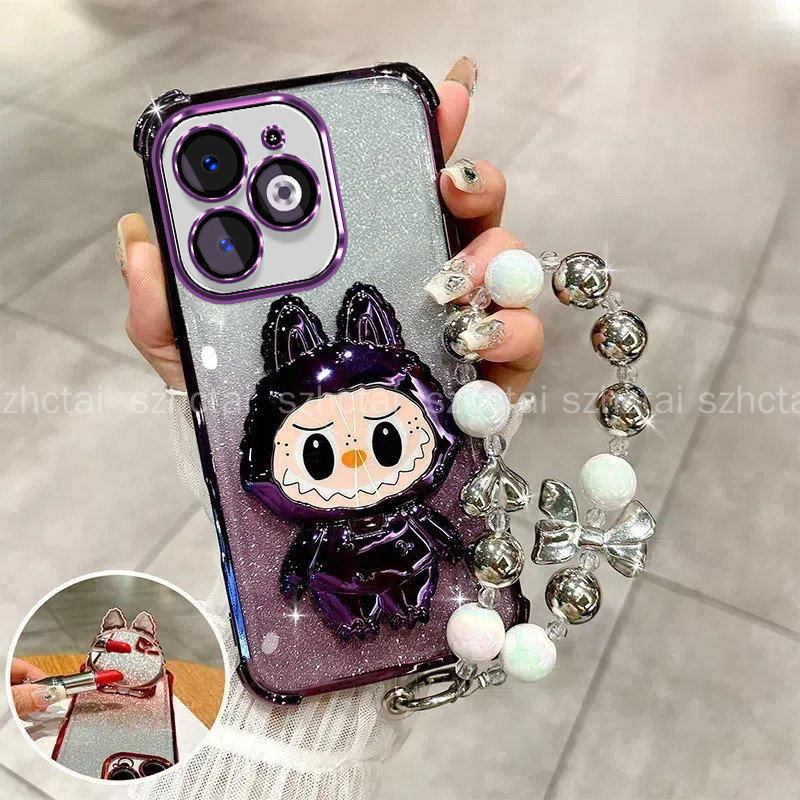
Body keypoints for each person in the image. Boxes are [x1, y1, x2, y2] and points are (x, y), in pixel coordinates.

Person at [118, 57, 544, 800]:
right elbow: (294, 567)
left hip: (391, 577)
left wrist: (478, 439)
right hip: (346, 589)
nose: (350, 460)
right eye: (318, 451)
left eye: (385, 439)